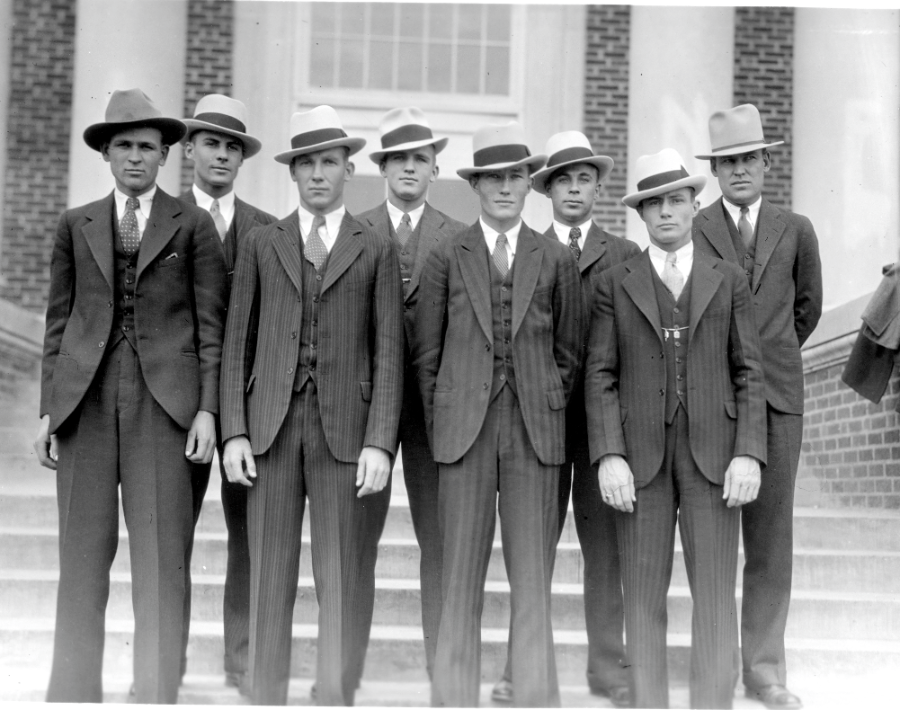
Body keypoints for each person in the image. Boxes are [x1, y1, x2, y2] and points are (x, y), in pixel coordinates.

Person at [33, 88, 227, 703]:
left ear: (167, 155)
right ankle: (71, 692)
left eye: (148, 147)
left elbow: (211, 328)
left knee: (162, 562)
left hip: (165, 405)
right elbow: (57, 323)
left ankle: (155, 692)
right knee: (81, 561)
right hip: (85, 402)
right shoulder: (77, 223)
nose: (136, 158)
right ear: (107, 154)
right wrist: (48, 409)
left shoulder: (192, 225)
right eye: (124, 147)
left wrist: (208, 412)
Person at [218, 105, 404, 705]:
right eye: (307, 165)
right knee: (269, 572)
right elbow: (235, 345)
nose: (318, 174)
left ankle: (333, 694)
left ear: (349, 170)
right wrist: (235, 433)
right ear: (292, 174)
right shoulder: (260, 243)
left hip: (345, 433)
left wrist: (380, 442)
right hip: (269, 426)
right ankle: (264, 694)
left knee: (339, 575)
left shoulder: (373, 247)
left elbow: (388, 354)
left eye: (329, 163)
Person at [585, 149, 767, 708]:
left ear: (694, 204)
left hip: (715, 457)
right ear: (640, 214)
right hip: (639, 459)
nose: (665, 211)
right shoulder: (616, 282)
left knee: (714, 593)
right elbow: (600, 372)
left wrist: (748, 454)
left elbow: (748, 370)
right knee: (641, 596)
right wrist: (609, 455)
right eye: (653, 203)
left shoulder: (729, 279)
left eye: (675, 200)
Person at [412, 121, 584, 707]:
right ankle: (453, 695)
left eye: (516, 177)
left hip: (536, 434)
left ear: (528, 184)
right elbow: (427, 356)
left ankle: (535, 695)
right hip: (464, 435)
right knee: (459, 575)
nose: (506, 188)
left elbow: (570, 352)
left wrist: (542, 401)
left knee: (531, 577)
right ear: (476, 185)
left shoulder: (554, 257)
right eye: (494, 178)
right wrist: (449, 425)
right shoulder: (445, 255)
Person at [491, 130, 636, 707]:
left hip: (603, 428)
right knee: (532, 554)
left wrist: (615, 440)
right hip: (536, 424)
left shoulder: (624, 255)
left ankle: (609, 671)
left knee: (605, 553)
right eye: (562, 181)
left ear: (599, 187)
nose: (574, 189)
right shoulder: (523, 248)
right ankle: (519, 670)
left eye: (584, 179)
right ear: (545, 190)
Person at [693, 104, 822, 710]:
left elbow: (807, 310)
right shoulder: (695, 227)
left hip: (777, 403)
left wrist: (768, 359)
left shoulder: (795, 229)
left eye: (749, 158)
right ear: (715, 170)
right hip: (714, 402)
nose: (739, 169)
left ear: (766, 162)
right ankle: (718, 667)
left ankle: (765, 670)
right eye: (727, 161)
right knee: (716, 538)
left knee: (770, 540)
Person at [357, 106, 464, 679]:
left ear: (434, 169)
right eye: (397, 159)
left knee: (440, 541)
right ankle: (344, 669)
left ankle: (443, 672)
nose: (407, 168)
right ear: (382, 168)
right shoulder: (354, 229)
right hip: (362, 409)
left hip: (433, 412)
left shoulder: (459, 236)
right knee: (354, 539)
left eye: (418, 159)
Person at [177, 93, 277, 693]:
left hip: (250, 409)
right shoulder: (164, 218)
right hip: (177, 407)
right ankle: (167, 662)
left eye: (231, 146)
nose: (221, 155)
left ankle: (242, 661)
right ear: (189, 149)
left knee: (251, 537)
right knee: (171, 539)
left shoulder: (265, 229)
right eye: (211, 142)